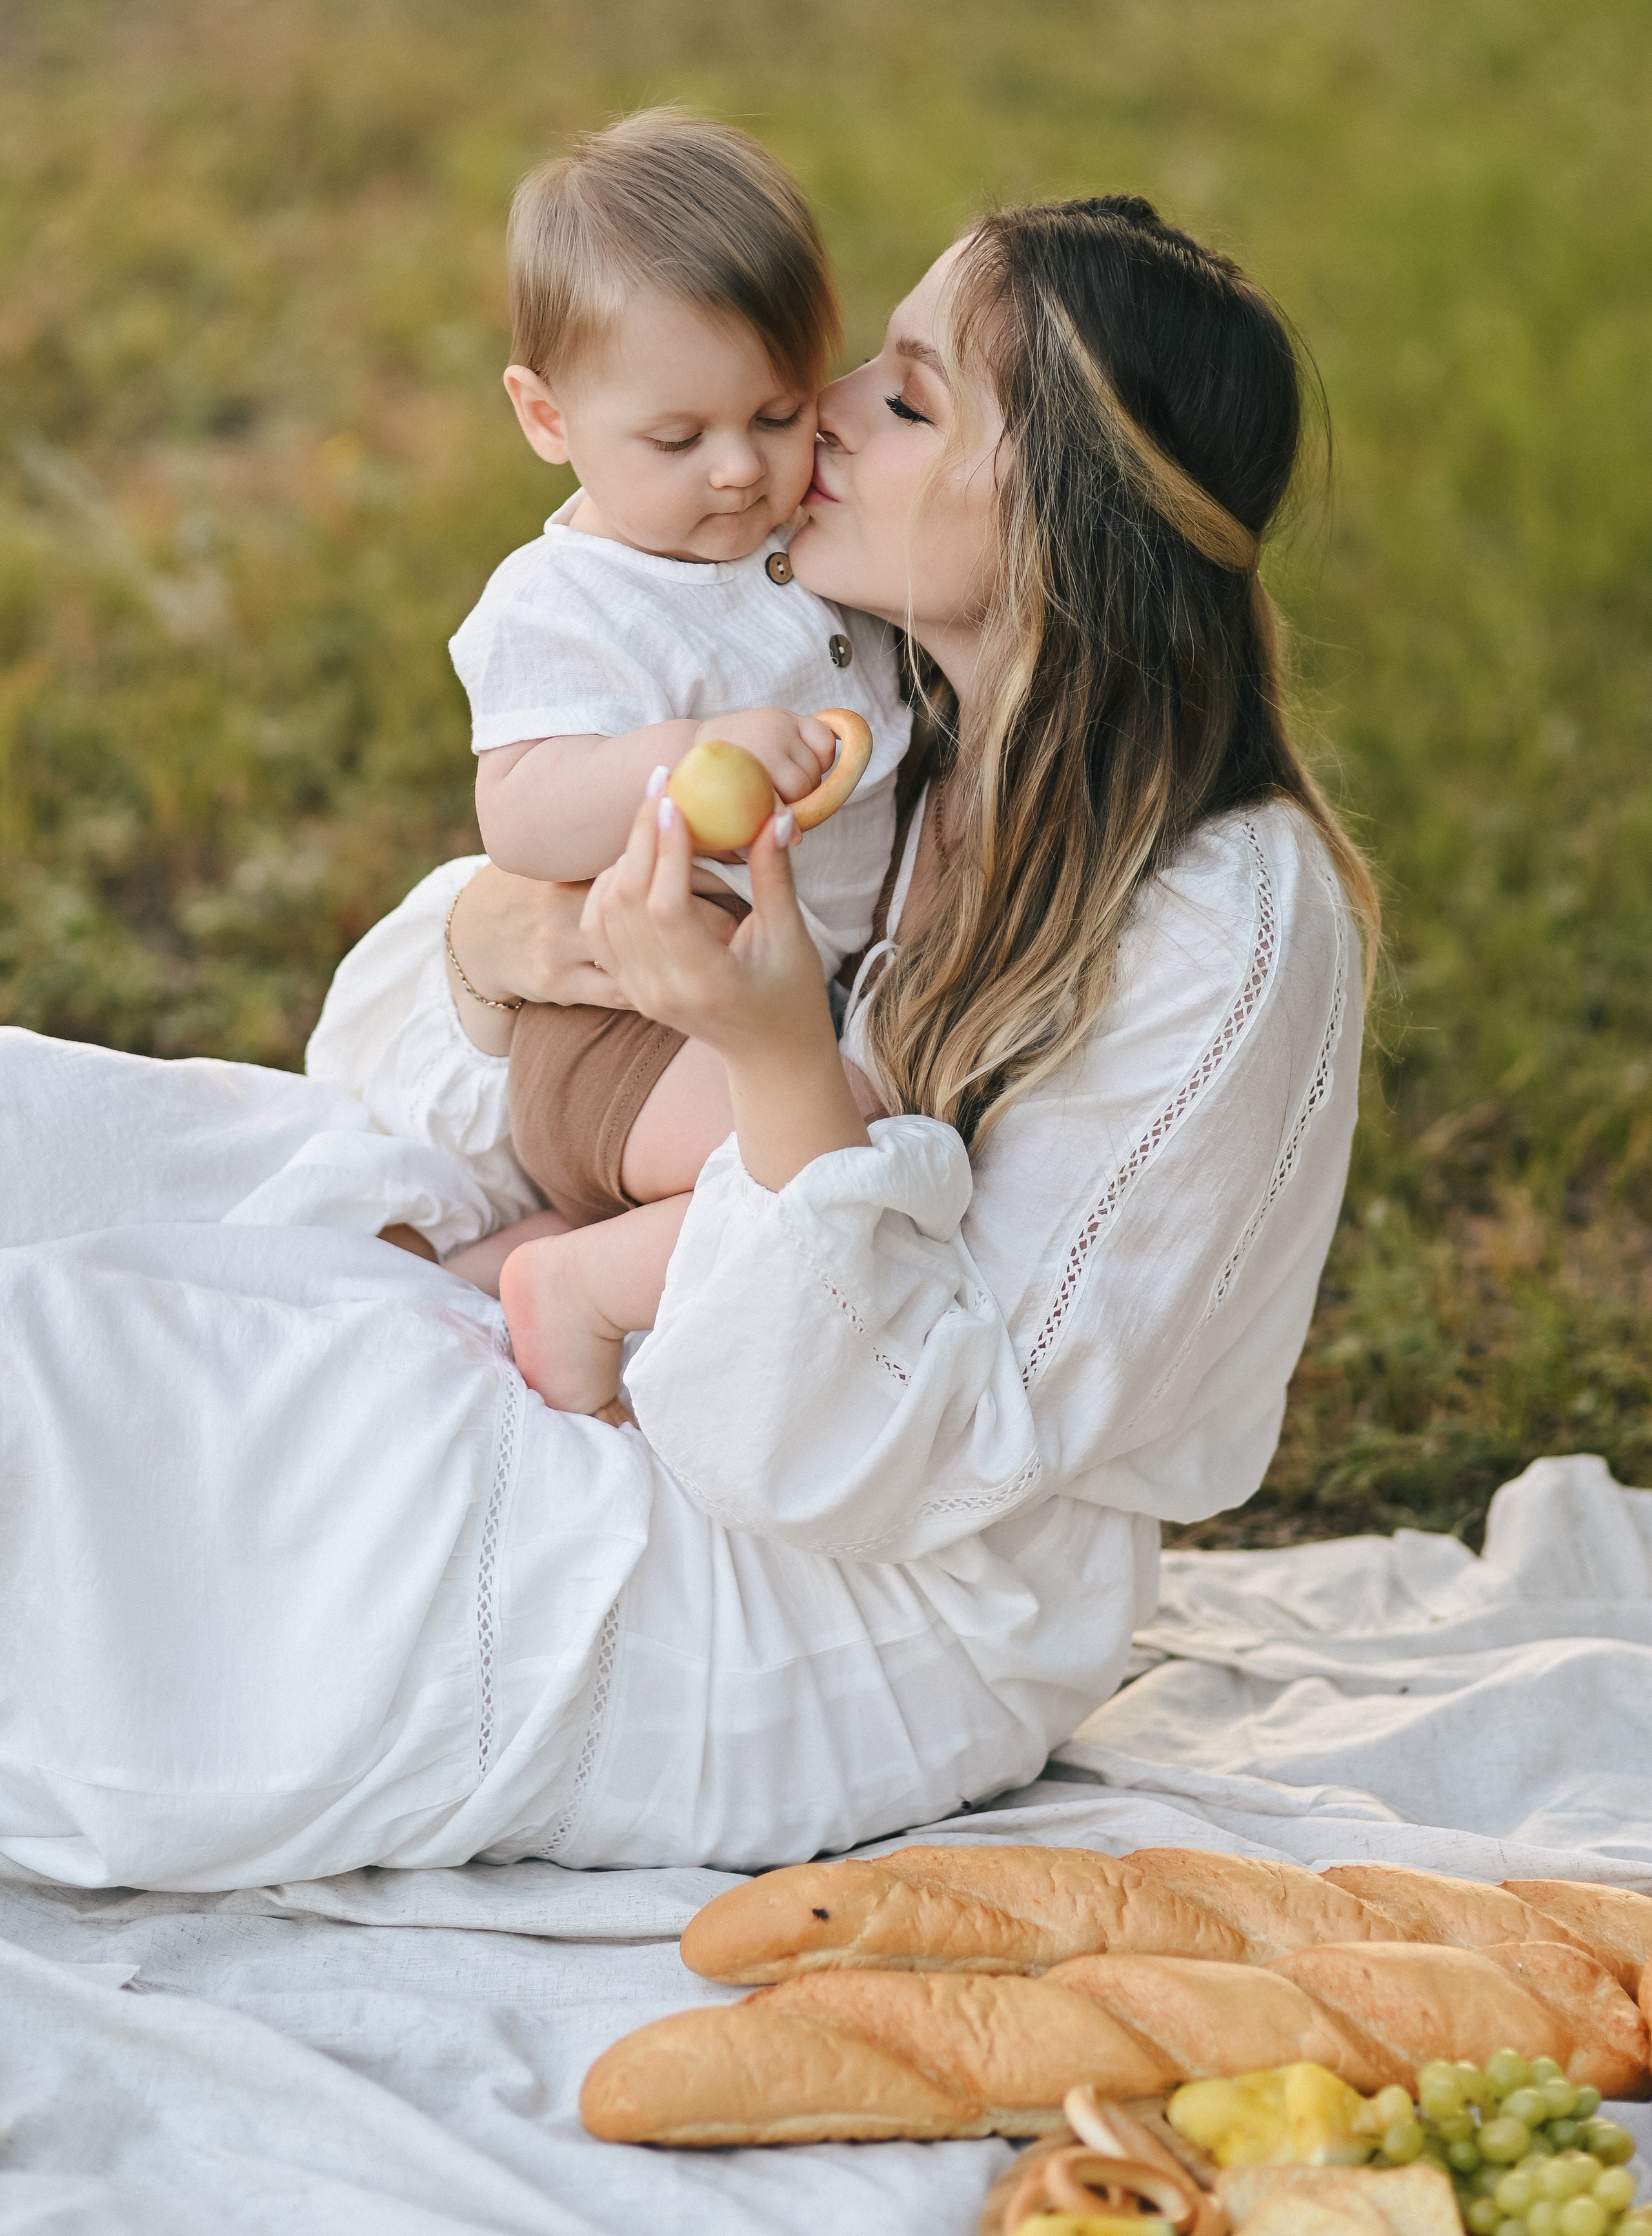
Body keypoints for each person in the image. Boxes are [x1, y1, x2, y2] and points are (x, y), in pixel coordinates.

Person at [0, 190, 1373, 1890]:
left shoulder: (1218, 924)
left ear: (1059, 515)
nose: (825, 413)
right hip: (653, 1337)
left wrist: (781, 1064)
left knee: (72, 1386)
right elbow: (408, 1086)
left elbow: (906, 1467)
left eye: (912, 398)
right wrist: (517, 943)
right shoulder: (885, 727)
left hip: (848, 1606)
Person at [439, 110, 910, 1418]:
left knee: (864, 1122)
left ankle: (495, 1265)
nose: (738, 469)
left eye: (776, 412)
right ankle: (573, 1286)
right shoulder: (571, 603)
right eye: (676, 438)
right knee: (849, 1149)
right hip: (623, 1029)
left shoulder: (793, 540)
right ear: (545, 416)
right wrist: (678, 756)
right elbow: (521, 812)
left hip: (773, 1006)